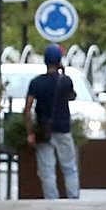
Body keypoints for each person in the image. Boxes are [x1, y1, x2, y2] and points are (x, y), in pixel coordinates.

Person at [25, 44, 80, 200]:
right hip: (63, 129)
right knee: (69, 167)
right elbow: (72, 96)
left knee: (47, 170)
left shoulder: (36, 83)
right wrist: (63, 72)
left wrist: (30, 132)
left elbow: (27, 109)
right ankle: (73, 198)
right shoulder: (66, 81)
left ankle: (52, 201)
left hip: (44, 130)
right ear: (59, 61)